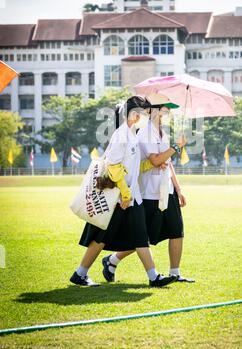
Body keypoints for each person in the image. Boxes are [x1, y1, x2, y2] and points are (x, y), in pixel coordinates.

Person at [70, 95, 177, 288]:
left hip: (129, 197)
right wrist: (126, 194)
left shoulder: (131, 135)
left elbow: (131, 166)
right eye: (144, 113)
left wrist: (150, 166)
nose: (146, 116)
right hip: (120, 198)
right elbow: (113, 166)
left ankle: (153, 277)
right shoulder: (121, 135)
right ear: (133, 115)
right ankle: (81, 273)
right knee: (105, 237)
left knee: (137, 236)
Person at [102, 93, 195, 284]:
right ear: (152, 110)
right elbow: (155, 160)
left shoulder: (164, 133)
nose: (167, 110)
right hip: (150, 192)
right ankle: (112, 260)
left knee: (177, 231)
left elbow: (167, 163)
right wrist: (177, 148)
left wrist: (178, 189)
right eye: (164, 107)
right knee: (147, 237)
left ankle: (175, 272)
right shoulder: (145, 132)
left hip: (166, 189)